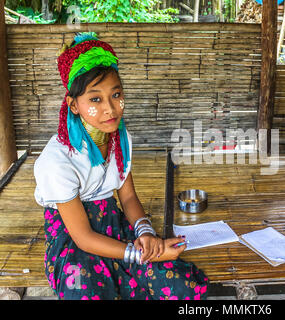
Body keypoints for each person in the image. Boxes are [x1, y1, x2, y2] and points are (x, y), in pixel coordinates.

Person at [34, 32, 208, 300]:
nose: (110, 108)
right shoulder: (57, 160)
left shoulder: (119, 138)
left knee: (182, 287)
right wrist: (139, 254)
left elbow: (127, 197)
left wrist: (147, 235)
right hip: (74, 239)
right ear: (73, 105)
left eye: (116, 94)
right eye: (95, 99)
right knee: (87, 292)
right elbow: (83, 237)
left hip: (113, 225)